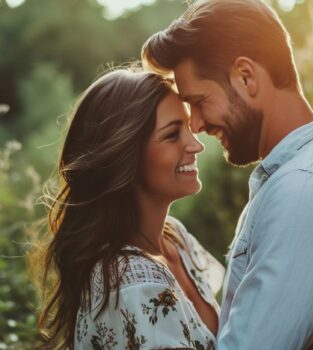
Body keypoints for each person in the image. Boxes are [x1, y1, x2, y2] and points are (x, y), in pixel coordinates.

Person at [142, 0, 313, 349]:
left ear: (246, 76)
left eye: (199, 100)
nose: (196, 123)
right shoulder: (294, 179)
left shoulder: (306, 189)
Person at [30, 68, 225, 349]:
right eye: (172, 135)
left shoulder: (176, 239)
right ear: (126, 155)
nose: (196, 145)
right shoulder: (129, 284)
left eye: (188, 129)